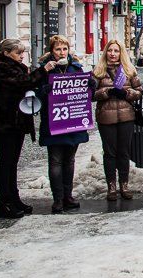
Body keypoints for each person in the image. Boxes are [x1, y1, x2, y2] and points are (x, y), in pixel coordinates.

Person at [0, 38, 50, 218]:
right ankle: (5, 202)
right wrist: (43, 70)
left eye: (22, 53)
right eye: (18, 53)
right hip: (6, 121)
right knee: (6, 161)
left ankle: (14, 198)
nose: (21, 56)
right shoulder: (0, 69)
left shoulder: (14, 67)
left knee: (13, 162)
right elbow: (23, 82)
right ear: (6, 53)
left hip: (17, 120)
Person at [35, 35, 94, 213]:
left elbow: (87, 91)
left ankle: (68, 195)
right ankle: (58, 198)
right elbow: (34, 94)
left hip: (73, 119)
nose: (62, 52)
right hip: (54, 121)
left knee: (69, 160)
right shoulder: (44, 70)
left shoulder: (75, 67)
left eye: (64, 49)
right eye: (58, 49)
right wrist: (45, 90)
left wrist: (91, 83)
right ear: (51, 51)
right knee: (55, 160)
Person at [92, 39, 143, 200]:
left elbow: (140, 91)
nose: (113, 54)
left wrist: (126, 94)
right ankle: (111, 187)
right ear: (105, 52)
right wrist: (106, 92)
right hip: (106, 117)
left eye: (116, 51)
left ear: (121, 53)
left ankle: (124, 184)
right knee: (110, 153)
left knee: (124, 152)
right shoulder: (98, 72)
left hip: (126, 116)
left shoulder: (129, 70)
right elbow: (89, 95)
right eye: (110, 50)